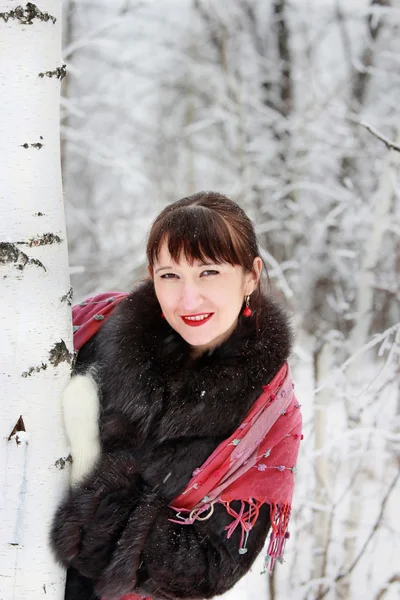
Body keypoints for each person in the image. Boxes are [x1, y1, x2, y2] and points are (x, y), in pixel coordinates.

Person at [51, 191, 302, 600]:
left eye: (209, 272)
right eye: (170, 275)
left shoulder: (269, 412)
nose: (189, 298)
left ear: (251, 275)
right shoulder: (94, 328)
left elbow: (211, 565)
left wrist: (89, 490)